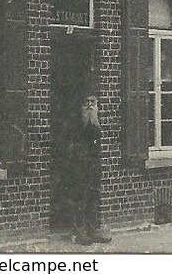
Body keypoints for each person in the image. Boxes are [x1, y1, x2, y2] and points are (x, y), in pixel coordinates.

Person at [67, 94, 112, 245]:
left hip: (93, 165)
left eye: (92, 102)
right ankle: (79, 231)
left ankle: (92, 229)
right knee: (80, 198)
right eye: (86, 102)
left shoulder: (96, 122)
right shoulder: (77, 122)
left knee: (93, 197)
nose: (89, 106)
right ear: (81, 105)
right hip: (79, 166)